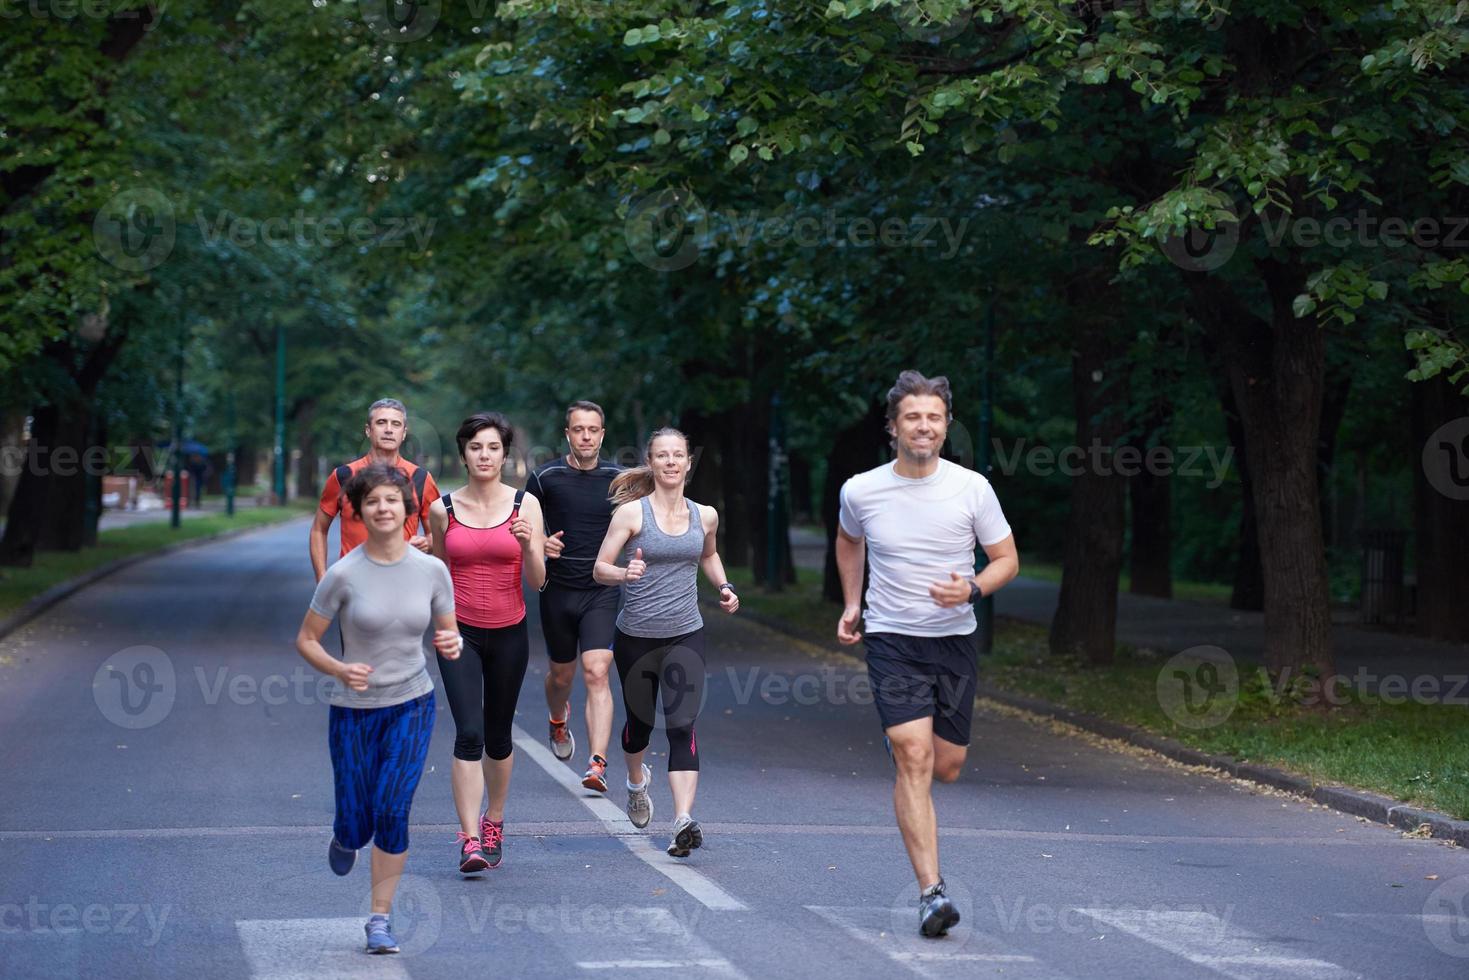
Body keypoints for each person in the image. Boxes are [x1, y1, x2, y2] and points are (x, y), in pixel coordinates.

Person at [835, 370, 1018, 939]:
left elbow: (1006, 558)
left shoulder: (971, 488)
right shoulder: (861, 489)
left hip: (954, 641)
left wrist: (973, 589)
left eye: (933, 417)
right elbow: (848, 541)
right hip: (891, 640)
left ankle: (908, 741)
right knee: (913, 756)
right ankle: (931, 892)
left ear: (946, 426)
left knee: (947, 765)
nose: (924, 425)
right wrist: (850, 603)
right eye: (912, 416)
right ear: (894, 427)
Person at [294, 463, 462, 954]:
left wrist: (451, 642)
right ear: (359, 511)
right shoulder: (343, 574)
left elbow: (447, 630)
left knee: (392, 808)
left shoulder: (432, 570)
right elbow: (306, 640)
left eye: (392, 500)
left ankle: (379, 919)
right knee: (356, 816)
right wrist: (339, 669)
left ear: (408, 508)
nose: (383, 508)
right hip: (352, 708)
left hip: (412, 703)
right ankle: (346, 834)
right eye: (372, 502)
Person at [593, 427, 739, 857]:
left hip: (686, 633)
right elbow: (601, 567)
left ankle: (681, 820)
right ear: (651, 463)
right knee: (640, 724)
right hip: (636, 635)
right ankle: (636, 784)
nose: (671, 462)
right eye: (663, 455)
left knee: (681, 724)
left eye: (678, 455)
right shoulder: (632, 515)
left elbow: (709, 554)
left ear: (688, 463)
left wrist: (724, 586)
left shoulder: (705, 515)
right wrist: (624, 574)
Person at [427, 413, 547, 874]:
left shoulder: (525, 506)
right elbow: (438, 574)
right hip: (457, 633)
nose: (484, 455)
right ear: (463, 454)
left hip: (510, 630)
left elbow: (539, 581)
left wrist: (531, 546)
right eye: (475, 447)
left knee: (498, 737)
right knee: (469, 734)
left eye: (493, 447)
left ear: (504, 454)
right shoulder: (444, 509)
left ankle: (494, 820)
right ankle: (470, 840)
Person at [526, 400, 623, 792]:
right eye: (578, 429)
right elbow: (521, 527)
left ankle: (598, 762)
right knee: (562, 676)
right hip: (558, 590)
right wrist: (540, 542)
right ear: (567, 434)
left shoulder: (619, 479)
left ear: (602, 433)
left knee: (597, 671)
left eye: (593, 429)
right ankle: (556, 717)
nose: (586, 436)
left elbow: (642, 521)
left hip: (600, 590)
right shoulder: (544, 477)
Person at [310, 398, 439, 582]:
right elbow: (318, 529)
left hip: (404, 584)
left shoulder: (421, 478)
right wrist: (322, 579)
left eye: (396, 424)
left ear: (403, 433)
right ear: (368, 430)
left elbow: (439, 535)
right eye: (381, 423)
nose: (388, 429)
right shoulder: (343, 476)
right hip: (352, 585)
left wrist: (428, 542)